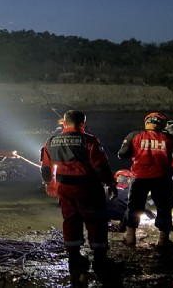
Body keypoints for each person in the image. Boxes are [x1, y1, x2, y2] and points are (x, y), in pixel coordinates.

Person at [40, 110, 118, 284]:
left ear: (64, 123)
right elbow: (100, 166)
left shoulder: (51, 141)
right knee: (96, 221)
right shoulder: (89, 140)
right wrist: (111, 184)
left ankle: (74, 258)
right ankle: (99, 258)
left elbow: (45, 168)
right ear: (82, 123)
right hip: (88, 189)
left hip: (65, 189)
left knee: (70, 219)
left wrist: (48, 184)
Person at [117, 112, 173, 248]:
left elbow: (122, 154)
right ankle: (163, 239)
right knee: (164, 208)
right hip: (162, 178)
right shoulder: (168, 137)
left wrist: (138, 151)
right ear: (161, 124)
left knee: (134, 207)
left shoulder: (134, 135)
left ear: (146, 122)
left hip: (139, 177)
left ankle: (130, 236)